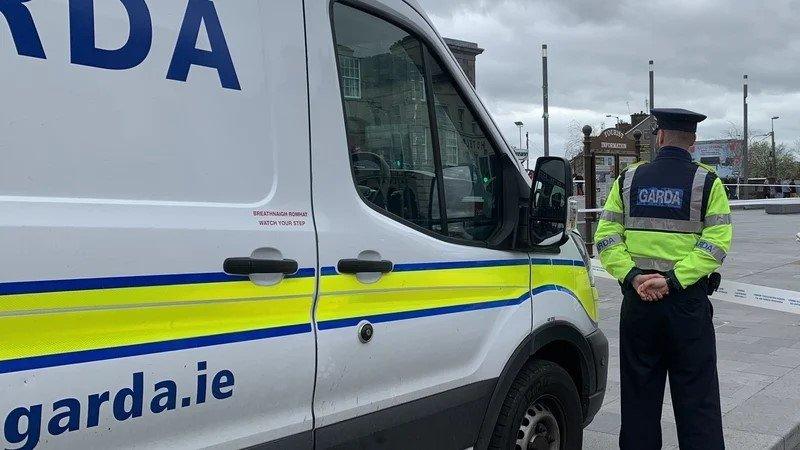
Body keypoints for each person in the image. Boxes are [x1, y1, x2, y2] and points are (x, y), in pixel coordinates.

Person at [594, 108, 733, 449]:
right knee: (698, 402)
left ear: (658, 138)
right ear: (693, 142)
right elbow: (716, 244)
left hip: (639, 305)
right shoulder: (708, 182)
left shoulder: (627, 179)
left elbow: (606, 237)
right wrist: (672, 280)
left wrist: (633, 277)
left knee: (639, 401)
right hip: (687, 307)